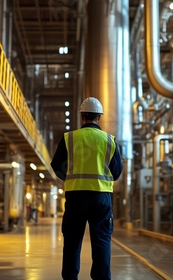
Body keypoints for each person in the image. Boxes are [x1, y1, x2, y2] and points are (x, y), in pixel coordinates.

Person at [51, 97, 123, 280]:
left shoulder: (70, 138)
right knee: (101, 240)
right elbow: (117, 171)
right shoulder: (109, 140)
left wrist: (69, 177)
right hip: (101, 198)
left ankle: (70, 277)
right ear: (99, 116)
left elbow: (57, 165)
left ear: (82, 116)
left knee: (73, 240)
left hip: (76, 197)